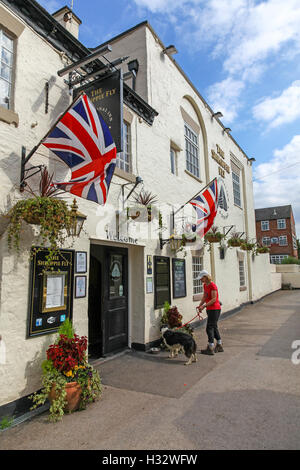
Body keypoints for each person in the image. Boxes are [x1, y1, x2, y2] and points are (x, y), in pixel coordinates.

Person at [197, 270, 223, 355]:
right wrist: (200, 305)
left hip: (215, 309)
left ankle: (210, 347)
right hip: (210, 309)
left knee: (209, 328)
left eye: (201, 278)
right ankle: (219, 345)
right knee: (214, 327)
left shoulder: (212, 285)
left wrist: (204, 306)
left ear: (205, 277)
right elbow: (205, 296)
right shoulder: (205, 285)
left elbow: (214, 299)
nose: (200, 280)